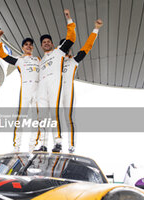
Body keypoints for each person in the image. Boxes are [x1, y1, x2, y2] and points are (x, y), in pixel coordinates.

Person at [35, 9, 76, 152]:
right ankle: (43, 144)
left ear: (52, 44)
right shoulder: (40, 61)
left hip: (54, 84)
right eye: (44, 42)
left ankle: (58, 142)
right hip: (42, 88)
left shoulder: (59, 52)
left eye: (48, 41)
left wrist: (69, 19)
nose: (46, 43)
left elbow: (71, 38)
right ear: (41, 46)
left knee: (54, 113)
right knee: (42, 116)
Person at [60, 19, 103, 153]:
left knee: (69, 118)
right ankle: (57, 144)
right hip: (55, 92)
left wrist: (96, 29)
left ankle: (71, 146)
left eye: (68, 48)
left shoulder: (74, 60)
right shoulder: (54, 62)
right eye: (64, 48)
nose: (66, 50)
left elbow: (87, 47)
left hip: (68, 91)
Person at [0, 31, 40, 152]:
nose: (28, 46)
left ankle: (32, 146)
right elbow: (2, 55)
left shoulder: (38, 60)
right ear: (22, 47)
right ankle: (16, 146)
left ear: (33, 47)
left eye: (30, 44)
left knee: (36, 120)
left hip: (37, 92)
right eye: (26, 44)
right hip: (25, 91)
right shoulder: (19, 60)